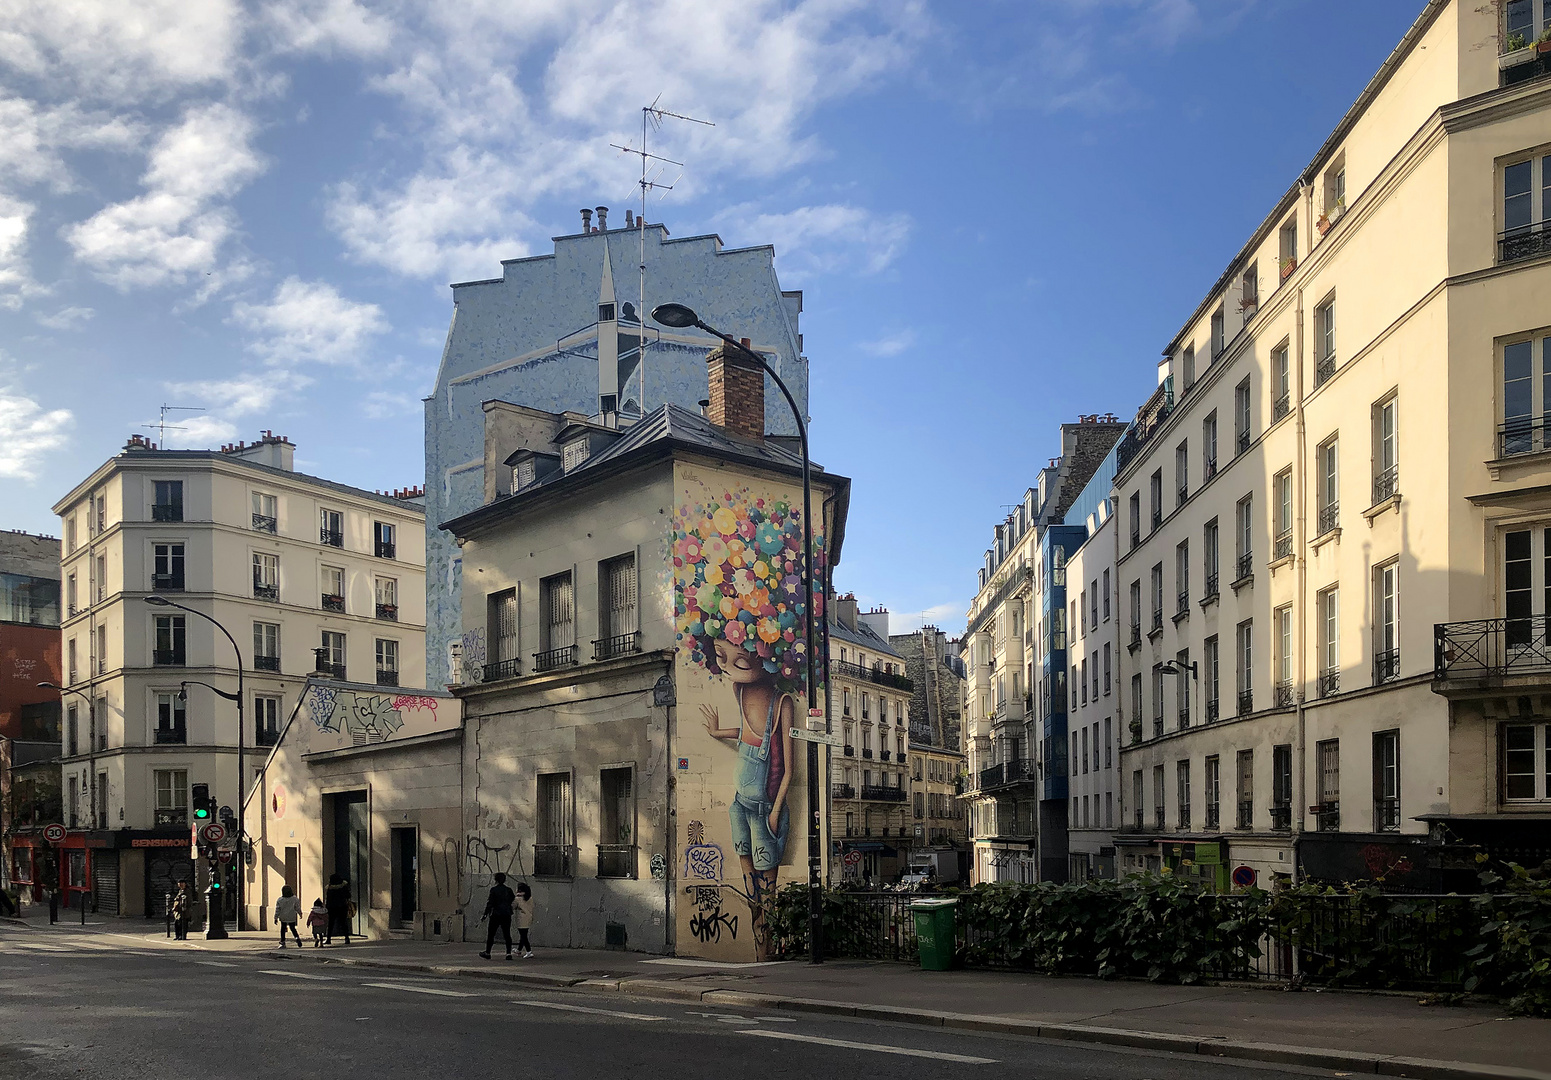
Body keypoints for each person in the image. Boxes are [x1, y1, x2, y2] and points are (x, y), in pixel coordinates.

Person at [479, 872, 515, 960]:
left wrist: (485, 914)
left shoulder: (494, 890)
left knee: (491, 934)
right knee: (507, 934)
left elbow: (490, 903)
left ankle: (488, 952)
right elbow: (512, 898)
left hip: (496, 914)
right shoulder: (508, 890)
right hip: (506, 914)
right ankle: (508, 953)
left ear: (496, 880)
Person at [324, 873, 352, 945]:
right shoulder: (343, 887)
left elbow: (328, 899)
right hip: (342, 906)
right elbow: (348, 895)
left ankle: (328, 939)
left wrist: (327, 907)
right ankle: (347, 938)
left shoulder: (330, 888)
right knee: (343, 923)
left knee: (331, 924)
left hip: (332, 908)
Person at [514, 881, 534, 958]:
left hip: (521, 918)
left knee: (523, 935)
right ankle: (519, 950)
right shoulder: (530, 898)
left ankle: (529, 951)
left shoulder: (518, 898)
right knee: (524, 934)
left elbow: (513, 906)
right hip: (529, 917)